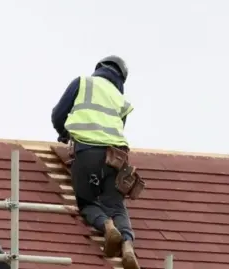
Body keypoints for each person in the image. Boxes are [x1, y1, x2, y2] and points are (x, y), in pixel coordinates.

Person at [51, 56, 143, 269]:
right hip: (117, 157)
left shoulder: (83, 83)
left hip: (87, 152)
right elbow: (117, 130)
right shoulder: (121, 99)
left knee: (87, 202)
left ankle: (108, 227)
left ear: (99, 69)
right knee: (116, 205)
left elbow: (58, 116)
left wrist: (66, 135)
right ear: (121, 78)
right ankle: (128, 245)